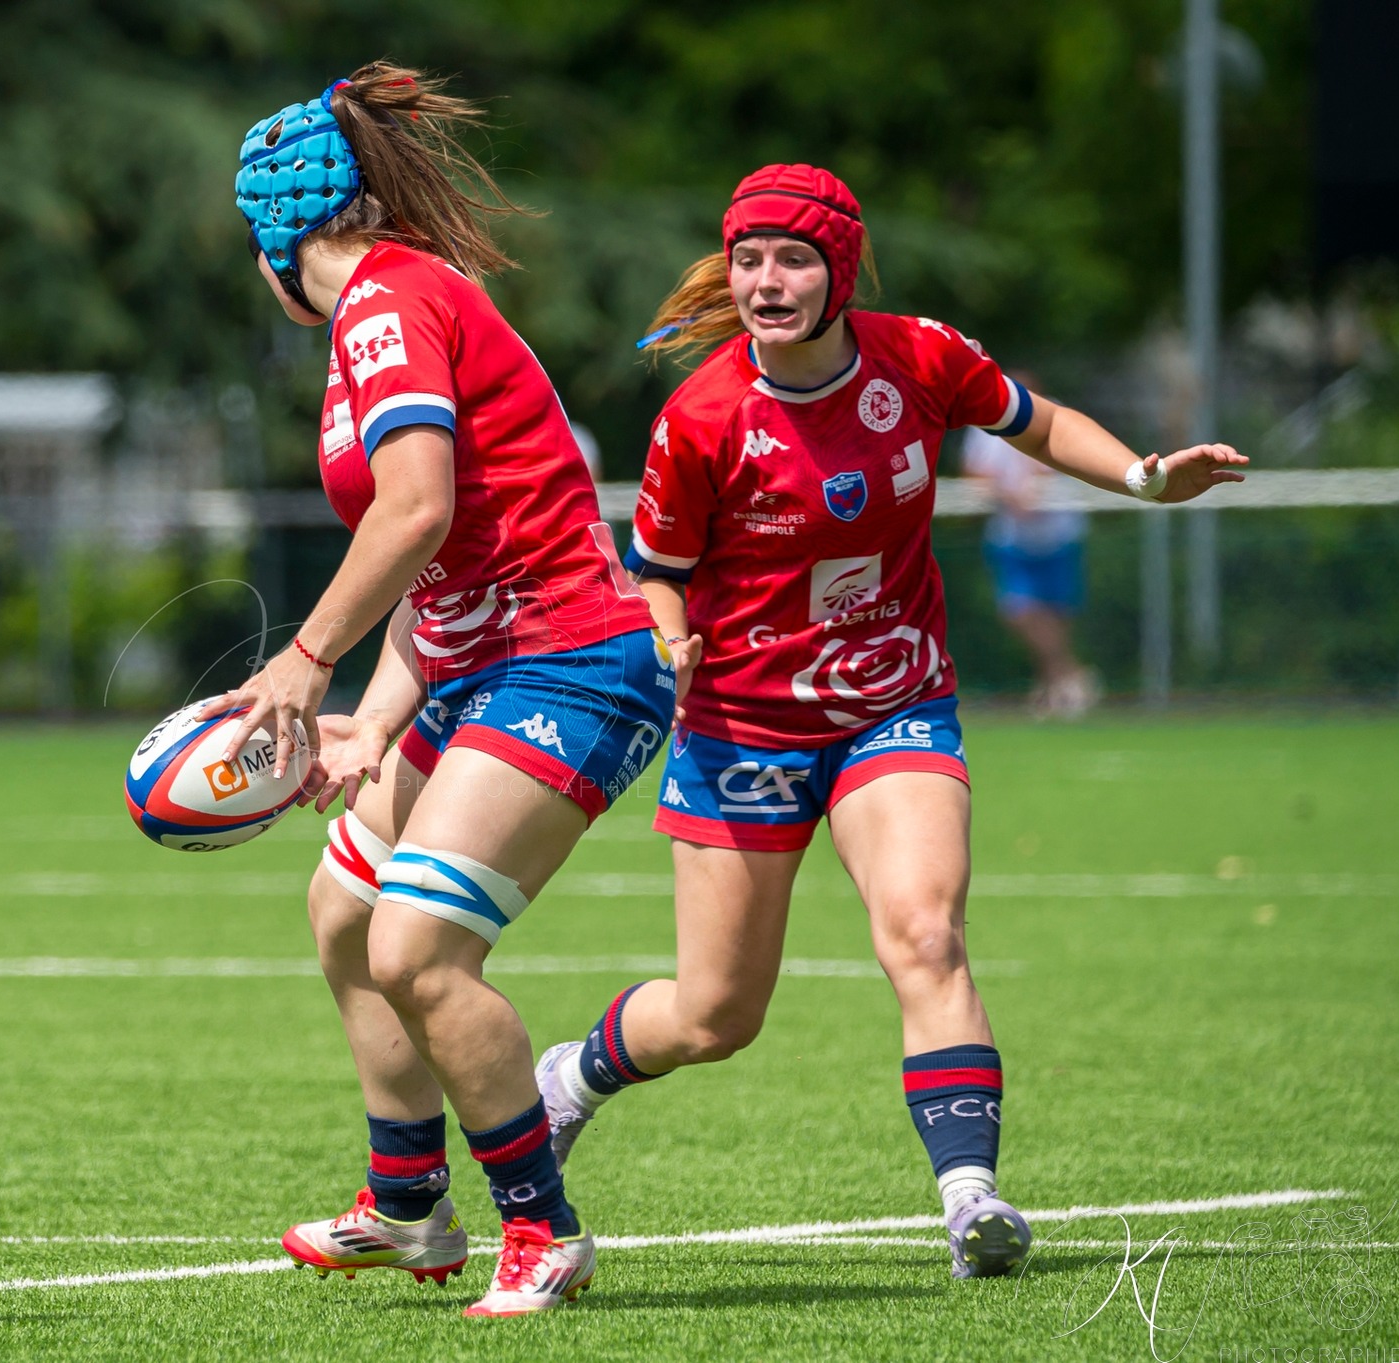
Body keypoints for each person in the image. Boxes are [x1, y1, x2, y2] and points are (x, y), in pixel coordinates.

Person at [533, 164, 1246, 1282]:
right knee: (716, 1015)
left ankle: (970, 1202)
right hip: (742, 730)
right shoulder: (702, 416)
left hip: (891, 703)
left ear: (839, 269)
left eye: (792, 259)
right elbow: (655, 571)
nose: (765, 282)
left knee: (924, 930)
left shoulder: (918, 355)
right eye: (748, 259)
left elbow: (1039, 422)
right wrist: (669, 642)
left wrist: (1144, 478)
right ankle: (568, 1078)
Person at [208, 64, 672, 1317]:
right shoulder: (395, 301)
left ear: (271, 248)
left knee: (417, 942)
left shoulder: (378, 308)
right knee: (343, 911)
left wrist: (303, 667)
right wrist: (375, 718)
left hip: (575, 661)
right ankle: (408, 1206)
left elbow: (415, 510)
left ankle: (542, 1229)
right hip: (484, 663)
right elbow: (440, 561)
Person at [960, 400, 1099, 718]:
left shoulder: (1050, 415)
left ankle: (1053, 684)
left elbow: (1054, 460)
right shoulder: (981, 428)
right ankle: (1068, 674)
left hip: (1057, 532)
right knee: (1019, 611)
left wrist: (1031, 490)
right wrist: (1010, 496)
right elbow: (976, 471)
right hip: (1012, 535)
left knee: (1057, 612)